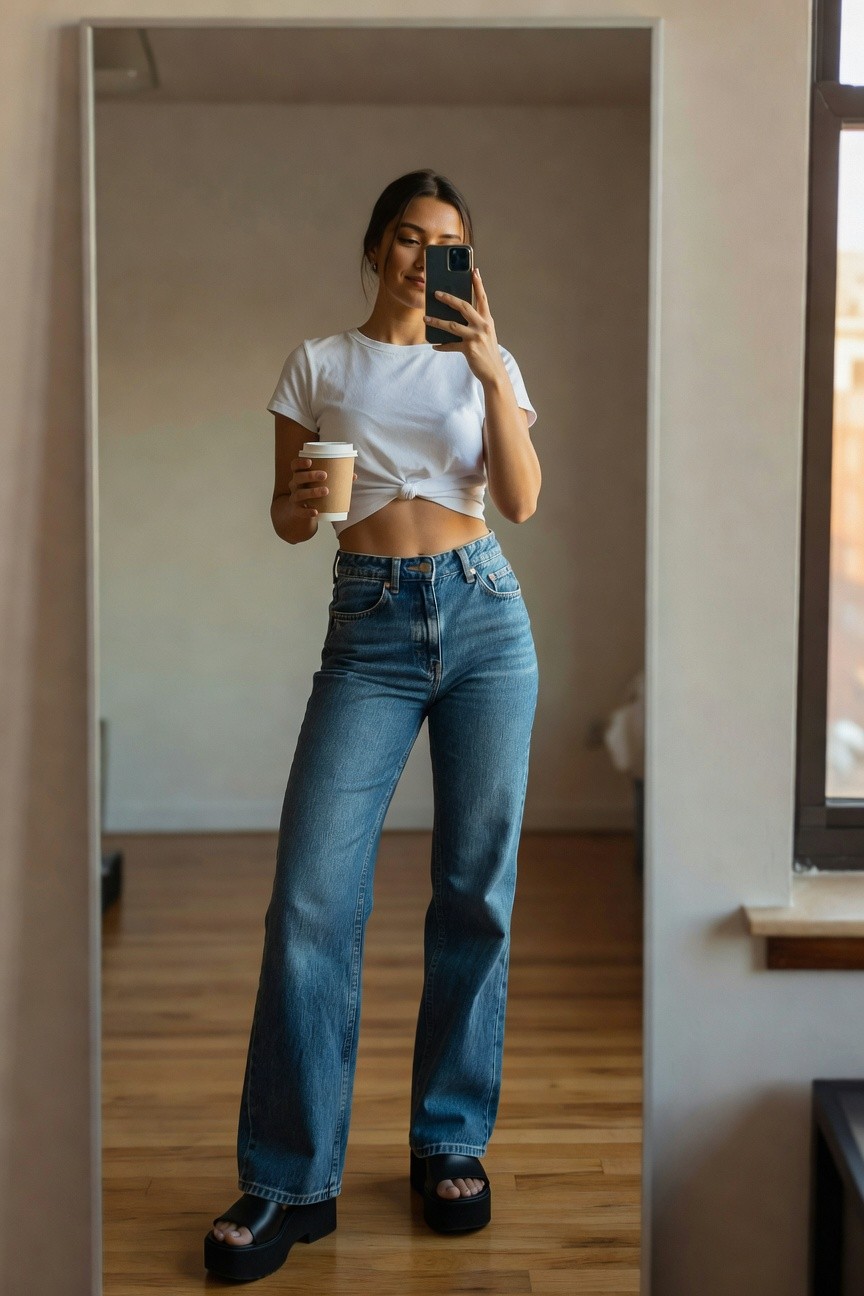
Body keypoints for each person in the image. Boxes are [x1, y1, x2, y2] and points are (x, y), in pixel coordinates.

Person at [204, 169, 541, 1283]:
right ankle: (291, 1181)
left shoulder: (484, 363)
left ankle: (452, 1142)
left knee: (473, 889)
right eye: (407, 237)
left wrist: (490, 373)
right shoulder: (320, 363)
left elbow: (526, 500)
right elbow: (290, 520)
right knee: (311, 896)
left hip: (485, 615)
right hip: (370, 629)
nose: (422, 256)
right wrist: (301, 500)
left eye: (446, 243)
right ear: (376, 247)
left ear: (465, 264)